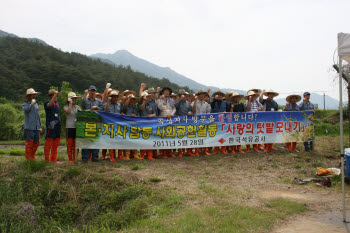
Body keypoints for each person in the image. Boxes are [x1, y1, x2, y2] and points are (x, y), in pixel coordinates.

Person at [81, 85, 104, 162]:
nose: (92, 92)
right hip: (86, 122)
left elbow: (103, 109)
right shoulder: (85, 99)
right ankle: (85, 157)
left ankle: (95, 157)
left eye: (94, 91)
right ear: (89, 91)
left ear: (95, 92)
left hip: (96, 122)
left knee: (96, 140)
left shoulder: (98, 101)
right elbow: (83, 105)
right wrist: (84, 94)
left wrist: (97, 108)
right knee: (86, 140)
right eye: (91, 91)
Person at [105, 90, 124, 162]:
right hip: (109, 125)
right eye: (114, 97)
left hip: (118, 125)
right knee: (111, 141)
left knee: (119, 140)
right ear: (111, 98)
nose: (115, 98)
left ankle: (119, 155)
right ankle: (112, 156)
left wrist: (122, 114)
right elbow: (106, 111)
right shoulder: (107, 104)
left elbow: (121, 112)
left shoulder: (119, 105)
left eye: (116, 97)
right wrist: (107, 102)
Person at [157, 87, 176, 158]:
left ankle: (169, 152)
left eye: (168, 91)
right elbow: (160, 108)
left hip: (170, 119)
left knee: (170, 136)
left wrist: (171, 114)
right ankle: (164, 153)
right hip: (163, 119)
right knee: (163, 136)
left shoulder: (171, 100)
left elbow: (174, 109)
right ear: (162, 92)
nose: (167, 92)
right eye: (165, 91)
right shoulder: (159, 100)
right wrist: (162, 100)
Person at [22, 88, 41, 160]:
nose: (35, 95)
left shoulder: (36, 104)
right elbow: (26, 110)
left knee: (36, 143)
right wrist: (31, 104)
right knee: (29, 143)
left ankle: (32, 157)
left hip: (37, 127)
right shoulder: (25, 104)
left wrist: (39, 126)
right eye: (33, 94)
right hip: (29, 127)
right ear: (29, 96)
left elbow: (38, 116)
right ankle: (28, 158)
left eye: (35, 94)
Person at [122, 93, 143, 160]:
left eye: (133, 100)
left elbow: (138, 115)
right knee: (127, 140)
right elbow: (124, 108)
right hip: (126, 125)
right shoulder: (125, 106)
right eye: (131, 100)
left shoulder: (135, 107)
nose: (132, 101)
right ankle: (127, 155)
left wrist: (135, 116)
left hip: (134, 125)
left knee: (134, 139)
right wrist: (128, 98)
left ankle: (135, 154)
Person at [139, 91, 158, 160]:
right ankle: (142, 155)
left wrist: (151, 115)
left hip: (150, 124)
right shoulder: (139, 104)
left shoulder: (151, 105)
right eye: (146, 97)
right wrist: (144, 101)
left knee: (150, 139)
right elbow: (141, 109)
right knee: (143, 139)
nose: (148, 98)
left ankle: (150, 155)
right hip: (142, 124)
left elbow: (155, 113)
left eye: (148, 97)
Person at [192, 89, 212, 155]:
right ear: (198, 95)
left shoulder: (206, 104)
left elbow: (208, 112)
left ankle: (205, 150)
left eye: (203, 94)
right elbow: (193, 110)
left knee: (205, 135)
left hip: (204, 121)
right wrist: (195, 101)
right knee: (196, 136)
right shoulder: (194, 102)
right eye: (201, 94)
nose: (202, 96)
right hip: (195, 121)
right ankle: (196, 151)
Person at [44, 89, 61, 163]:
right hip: (50, 125)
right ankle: (47, 160)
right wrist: (54, 96)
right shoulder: (47, 103)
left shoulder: (57, 104)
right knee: (49, 143)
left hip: (57, 124)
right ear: (51, 96)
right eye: (54, 95)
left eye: (56, 95)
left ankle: (54, 159)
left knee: (56, 142)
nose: (56, 97)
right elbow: (49, 105)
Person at [64, 92, 81, 164]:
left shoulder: (77, 107)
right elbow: (68, 111)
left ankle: (75, 158)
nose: (73, 100)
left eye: (74, 98)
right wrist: (70, 104)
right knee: (70, 143)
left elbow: (81, 114)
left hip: (76, 127)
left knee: (76, 143)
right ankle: (70, 158)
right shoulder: (66, 107)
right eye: (72, 98)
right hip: (69, 126)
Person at [211, 90, 230, 154]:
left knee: (223, 135)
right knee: (216, 136)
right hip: (215, 122)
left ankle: (223, 149)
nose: (219, 96)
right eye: (218, 94)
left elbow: (228, 110)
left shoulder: (225, 103)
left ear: (222, 96)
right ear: (215, 96)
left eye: (220, 95)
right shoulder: (213, 102)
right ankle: (216, 150)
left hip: (223, 122)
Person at [175, 89, 193, 157]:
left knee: (188, 136)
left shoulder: (188, 103)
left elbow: (191, 111)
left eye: (185, 95)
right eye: (182, 95)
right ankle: (180, 152)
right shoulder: (176, 102)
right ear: (179, 96)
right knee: (180, 137)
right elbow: (175, 106)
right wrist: (180, 100)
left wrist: (190, 112)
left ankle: (188, 151)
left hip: (187, 122)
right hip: (179, 123)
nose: (184, 96)